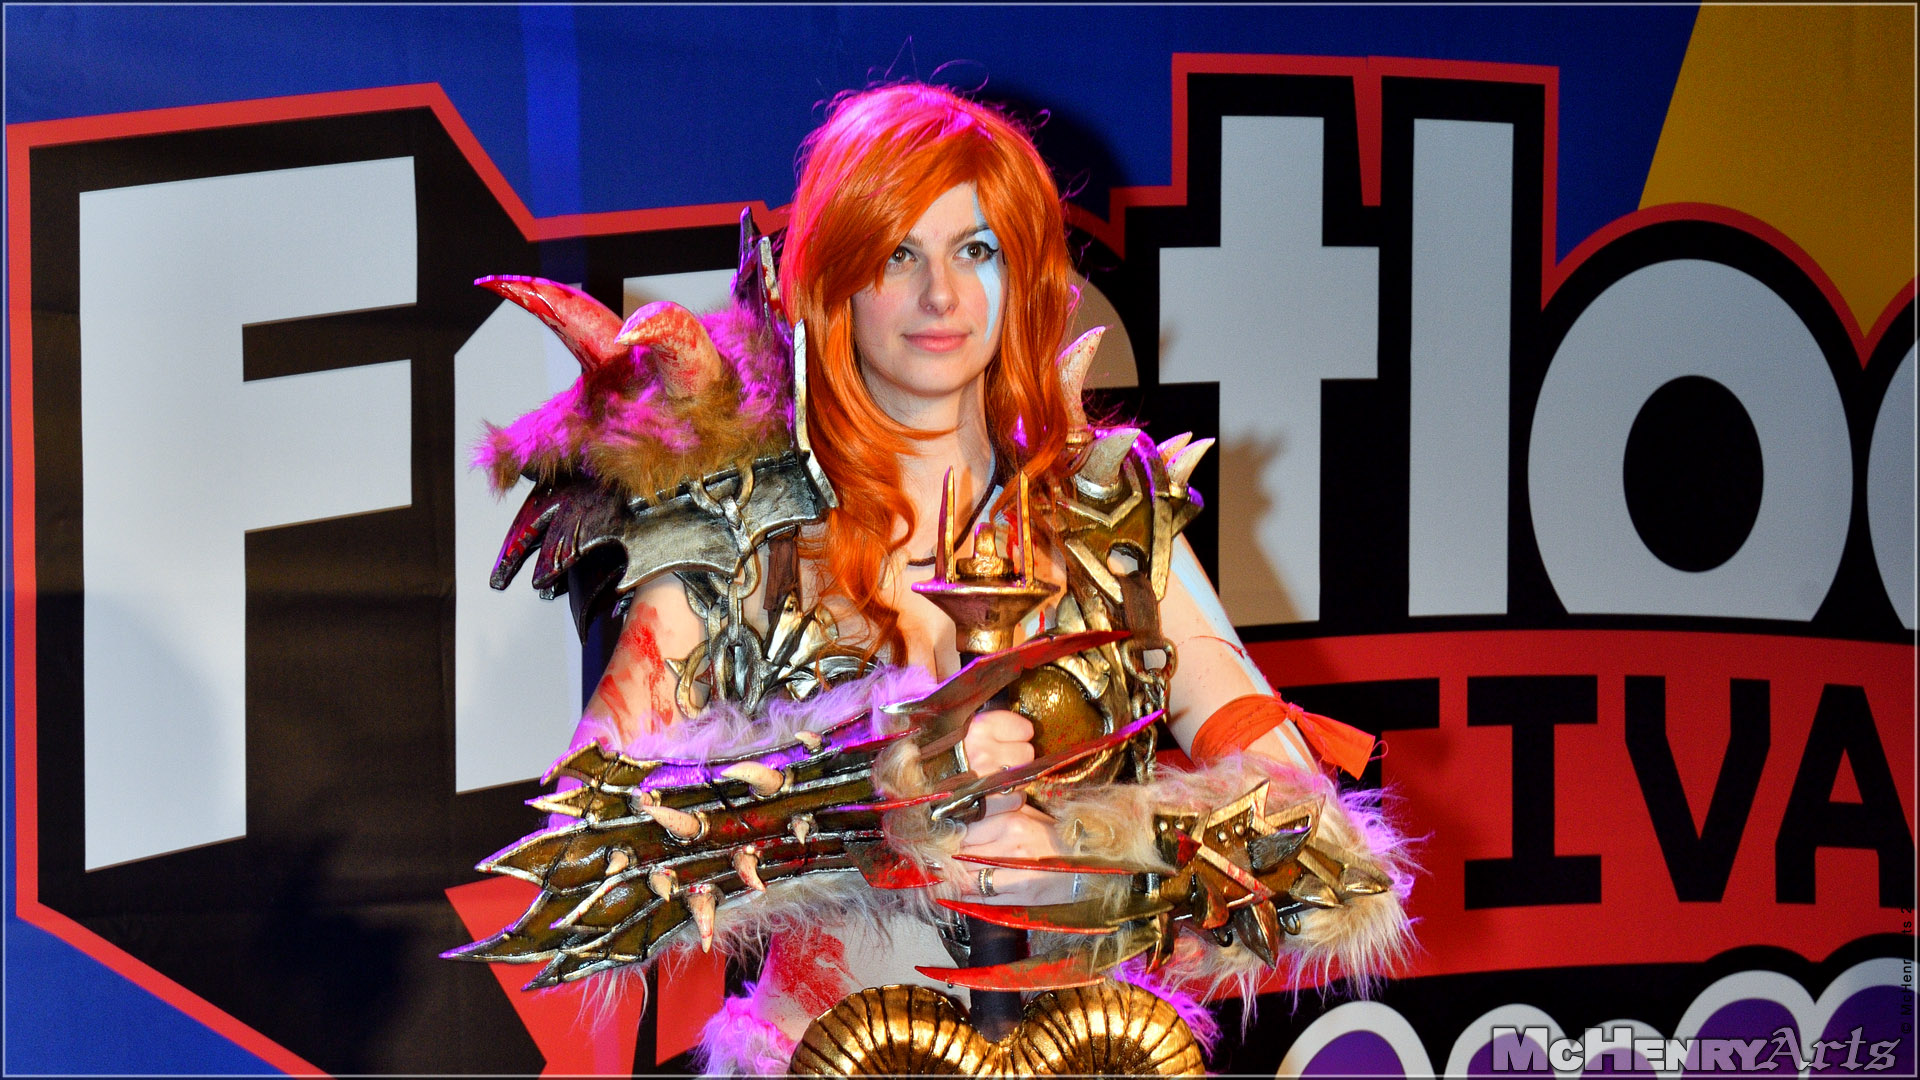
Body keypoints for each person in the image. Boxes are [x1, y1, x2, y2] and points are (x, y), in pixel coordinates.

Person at [458, 82, 1407, 1076]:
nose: (942, 296)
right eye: (898, 254)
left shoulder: (1114, 512)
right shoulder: (733, 528)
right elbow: (587, 856)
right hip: (823, 1056)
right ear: (836, 282)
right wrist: (882, 781)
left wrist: (1097, 847)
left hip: (1090, 1056)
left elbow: (1320, 847)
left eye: (975, 250)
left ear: (1023, 275)